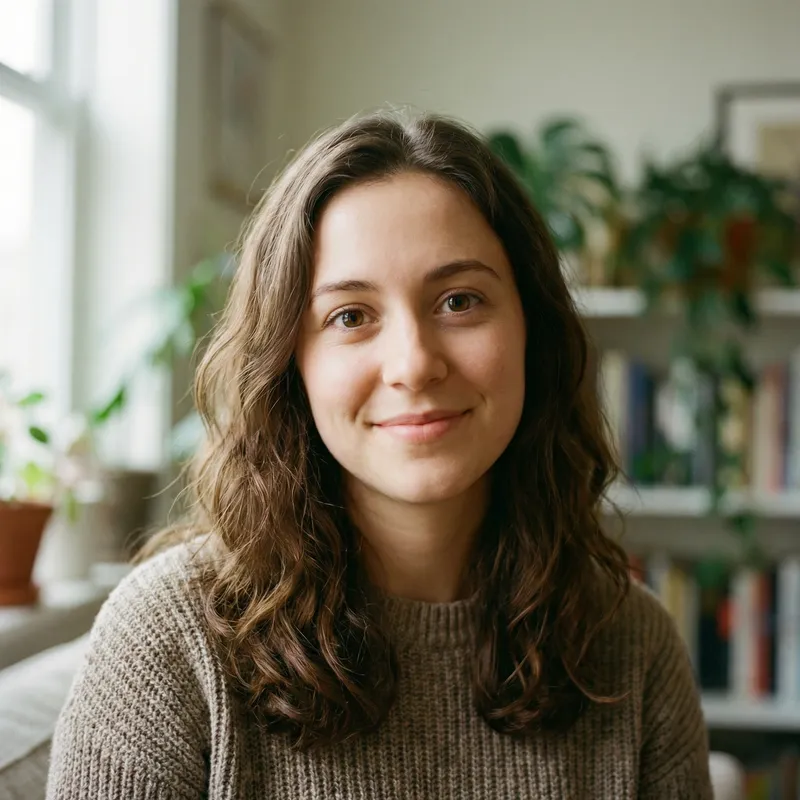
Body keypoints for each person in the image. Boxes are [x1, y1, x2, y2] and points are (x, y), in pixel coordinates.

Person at [47, 110, 713, 799]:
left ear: (532, 332)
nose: (414, 365)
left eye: (459, 300)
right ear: (290, 362)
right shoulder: (166, 640)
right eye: (351, 316)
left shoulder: (634, 647)